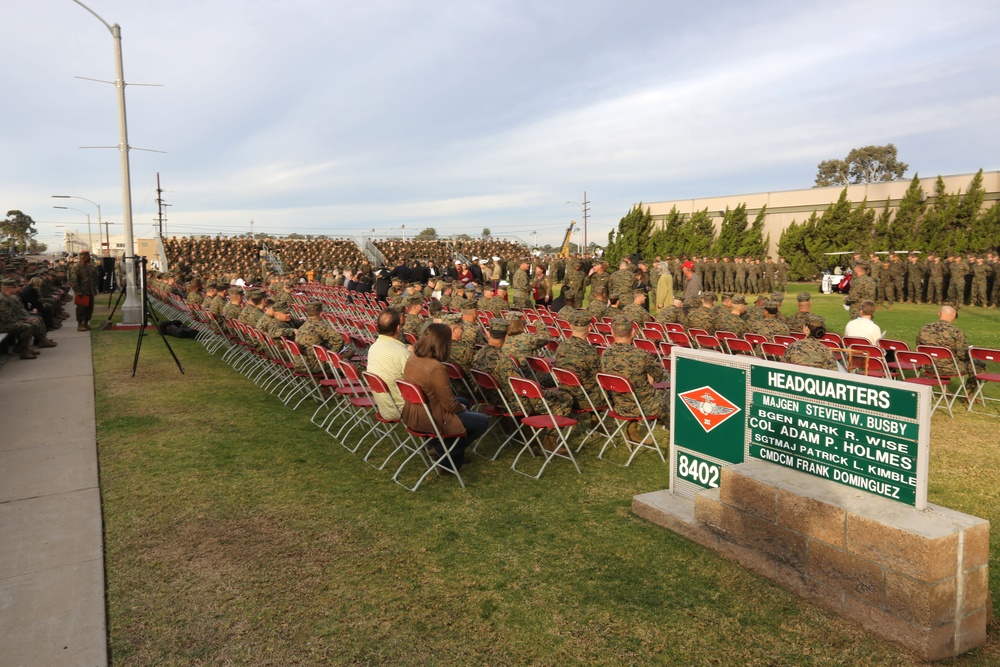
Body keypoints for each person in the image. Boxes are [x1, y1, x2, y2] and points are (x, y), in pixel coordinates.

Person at [402, 324, 488, 471]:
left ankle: (441, 447)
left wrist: (461, 406)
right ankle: (444, 454)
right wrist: (461, 408)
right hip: (430, 416)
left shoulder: (414, 356)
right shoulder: (436, 368)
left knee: (464, 401)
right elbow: (449, 405)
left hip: (414, 411)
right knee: (482, 421)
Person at [600, 316, 669, 428]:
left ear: (612, 333)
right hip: (644, 407)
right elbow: (659, 375)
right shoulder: (641, 355)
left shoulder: (605, 354)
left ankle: (632, 431)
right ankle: (681, 441)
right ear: (633, 333)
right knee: (667, 408)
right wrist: (649, 375)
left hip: (619, 405)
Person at [916, 304, 984, 381]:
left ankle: (945, 390)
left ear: (939, 313)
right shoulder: (955, 332)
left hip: (928, 366)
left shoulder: (924, 329)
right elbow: (963, 355)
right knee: (979, 365)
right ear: (954, 315)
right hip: (949, 368)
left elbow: (919, 348)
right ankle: (969, 392)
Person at [366, 308, 411, 420]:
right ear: (398, 328)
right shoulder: (401, 353)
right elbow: (417, 383)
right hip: (403, 409)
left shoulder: (374, 347)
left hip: (384, 407)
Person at [68, 250, 100, 331]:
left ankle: (86, 322)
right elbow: (73, 280)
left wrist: (95, 288)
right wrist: (78, 291)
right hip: (82, 291)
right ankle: (80, 324)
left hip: (90, 291)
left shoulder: (90, 266)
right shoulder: (76, 267)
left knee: (90, 308)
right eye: (87, 256)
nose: (89, 258)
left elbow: (94, 277)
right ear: (83, 257)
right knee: (81, 309)